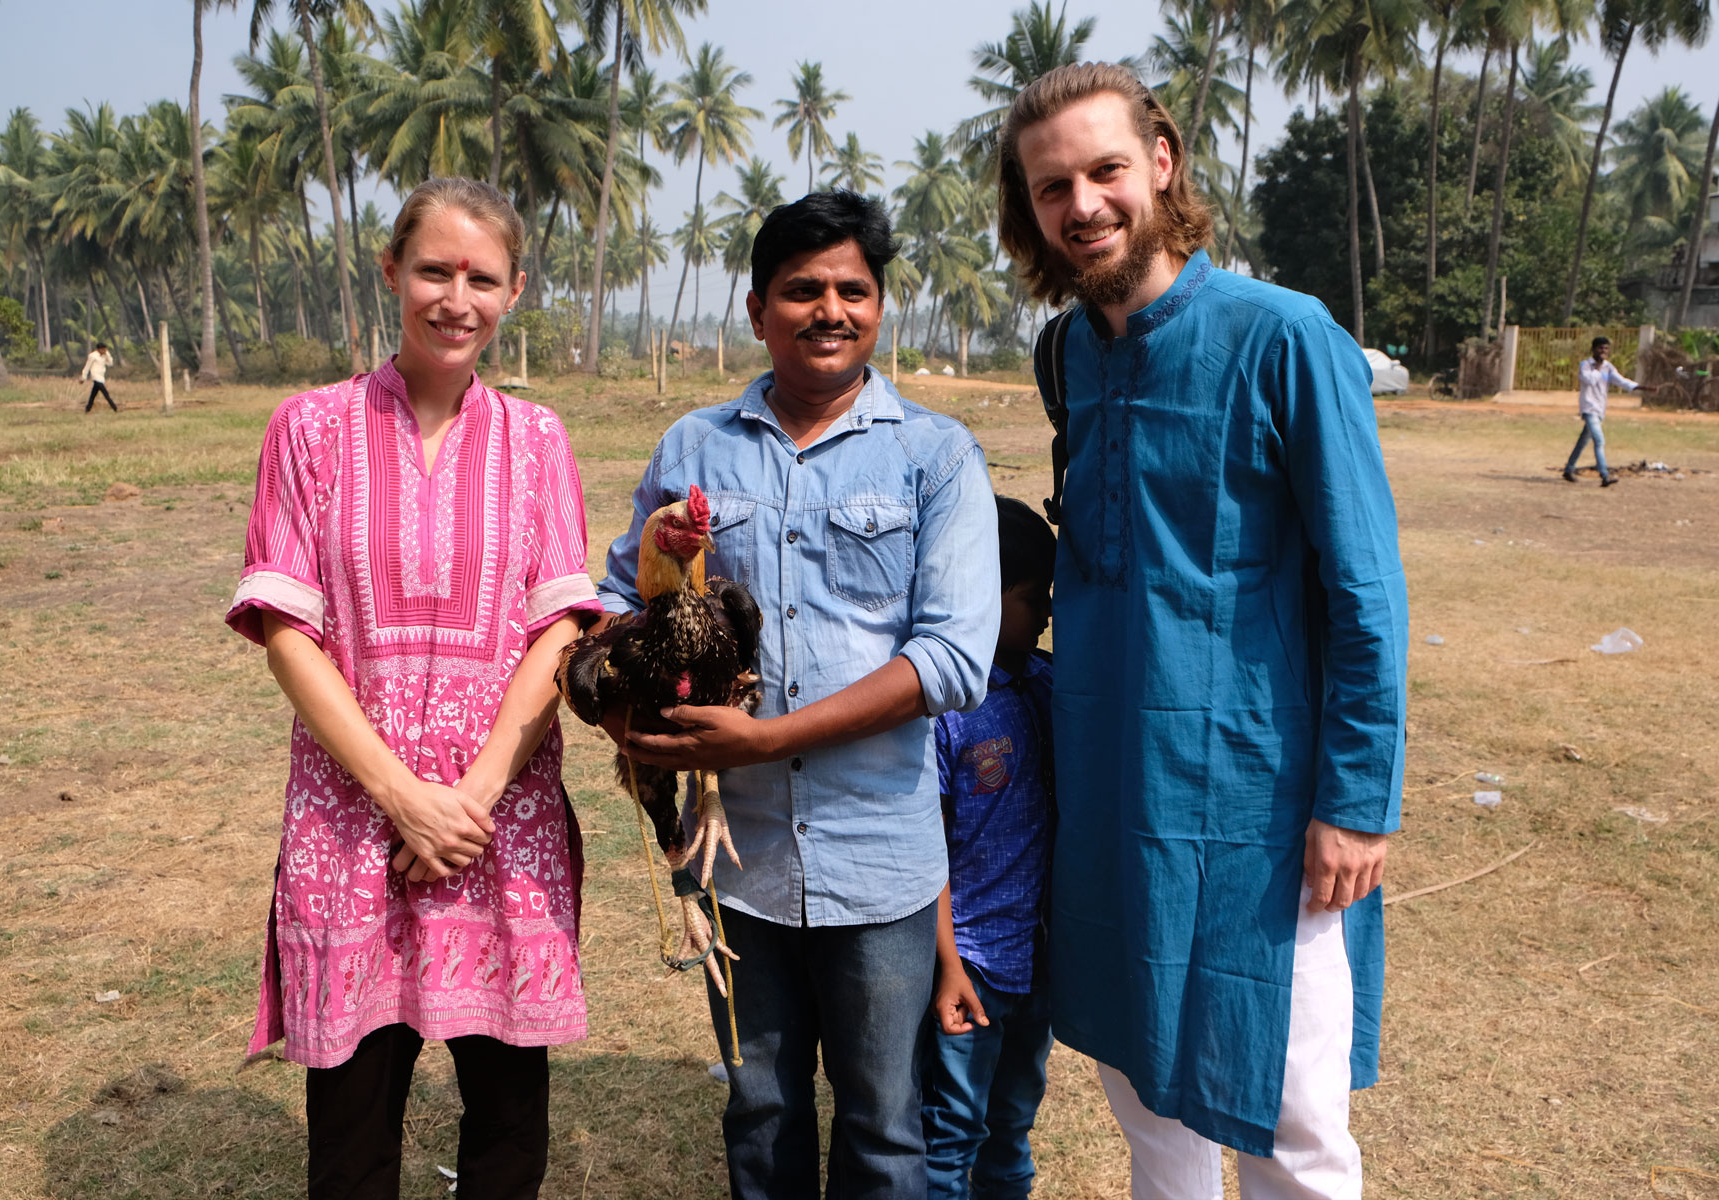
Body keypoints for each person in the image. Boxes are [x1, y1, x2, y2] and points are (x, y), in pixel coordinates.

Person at [998, 63, 1409, 1198]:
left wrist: (1356, 803)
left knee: (1290, 1115)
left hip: (1259, 804)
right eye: (1051, 188)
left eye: (1105, 170)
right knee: (1143, 1096)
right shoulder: (1067, 354)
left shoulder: (1285, 339)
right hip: (1108, 782)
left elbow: (1366, 591)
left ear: (1162, 165)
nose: (1081, 205)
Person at [596, 189, 1001, 1200]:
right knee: (763, 1114)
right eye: (802, 290)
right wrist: (617, 698)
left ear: (880, 304)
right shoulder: (695, 447)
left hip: (880, 860)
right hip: (738, 862)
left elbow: (952, 661)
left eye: (853, 290)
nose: (831, 310)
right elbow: (616, 604)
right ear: (756, 308)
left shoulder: (934, 455)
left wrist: (764, 738)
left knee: (883, 1128)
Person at [225, 177, 602, 1200]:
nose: (456, 298)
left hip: (499, 829)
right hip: (353, 826)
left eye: (482, 277)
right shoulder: (307, 430)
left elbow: (559, 627)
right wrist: (400, 794)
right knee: (351, 1135)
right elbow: (286, 629)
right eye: (434, 270)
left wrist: (468, 801)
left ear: (515, 290)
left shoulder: (539, 444)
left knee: (508, 1126)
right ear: (391, 272)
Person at [920, 495, 1056, 1200]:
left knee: (1011, 1127)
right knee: (950, 1138)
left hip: (1033, 965)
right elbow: (926, 849)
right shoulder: (944, 714)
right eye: (1034, 599)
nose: (1048, 615)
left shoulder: (1048, 686)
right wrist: (946, 966)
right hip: (968, 966)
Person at [1564, 335, 1648, 486]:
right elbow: (1588, 380)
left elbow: (1622, 381)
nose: (1603, 351)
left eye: (1606, 349)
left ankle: (1568, 469)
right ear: (1593, 349)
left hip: (1600, 409)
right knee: (1599, 440)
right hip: (1589, 408)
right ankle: (1604, 475)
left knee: (1583, 441)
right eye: (1600, 348)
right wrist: (1596, 369)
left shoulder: (1608, 367)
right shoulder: (1586, 365)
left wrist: (1641, 387)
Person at [80, 342, 116, 412]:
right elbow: (87, 367)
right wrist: (83, 377)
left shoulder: (104, 355)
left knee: (93, 395)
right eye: (103, 349)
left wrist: (107, 354)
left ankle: (88, 409)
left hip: (101, 377)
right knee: (106, 394)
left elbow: (110, 363)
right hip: (95, 376)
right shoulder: (93, 356)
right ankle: (115, 408)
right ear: (99, 349)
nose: (105, 351)